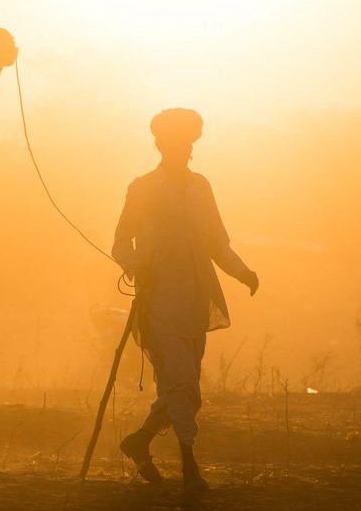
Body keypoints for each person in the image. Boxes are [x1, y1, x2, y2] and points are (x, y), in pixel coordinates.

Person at [111, 108, 259, 491]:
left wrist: (243, 273)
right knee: (181, 385)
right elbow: (120, 240)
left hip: (196, 298)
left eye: (188, 143)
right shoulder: (142, 188)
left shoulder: (201, 187)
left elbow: (217, 243)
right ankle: (190, 468)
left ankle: (139, 441)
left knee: (186, 388)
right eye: (175, 143)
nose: (183, 149)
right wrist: (135, 265)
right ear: (160, 145)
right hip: (158, 301)